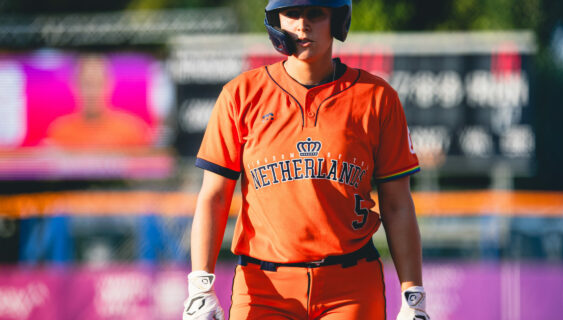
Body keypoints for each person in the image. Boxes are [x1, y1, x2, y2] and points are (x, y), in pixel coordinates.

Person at [183, 1, 430, 319]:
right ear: (277, 22)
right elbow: (214, 196)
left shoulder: (377, 97)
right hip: (263, 287)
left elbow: (397, 204)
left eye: (315, 13)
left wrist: (414, 295)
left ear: (338, 19)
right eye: (292, 14)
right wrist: (200, 285)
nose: (303, 24)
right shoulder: (241, 95)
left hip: (350, 286)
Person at [47, 54, 152, 149]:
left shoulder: (133, 130)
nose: (92, 92)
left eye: (98, 84)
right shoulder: (59, 131)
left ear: (109, 85)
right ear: (74, 86)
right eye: (87, 84)